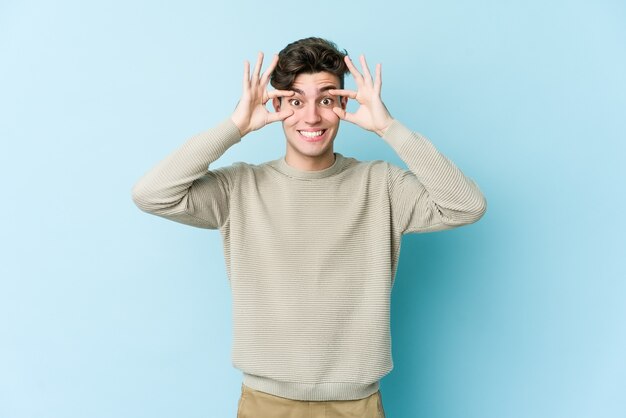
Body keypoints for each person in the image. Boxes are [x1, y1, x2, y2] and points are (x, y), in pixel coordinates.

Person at [132, 37, 486, 418]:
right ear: (278, 104)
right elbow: (152, 194)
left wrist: (388, 128)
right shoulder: (238, 188)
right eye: (296, 101)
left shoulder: (381, 185)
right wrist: (234, 126)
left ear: (344, 105)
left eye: (327, 99)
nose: (312, 117)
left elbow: (466, 205)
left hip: (357, 405)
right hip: (265, 403)